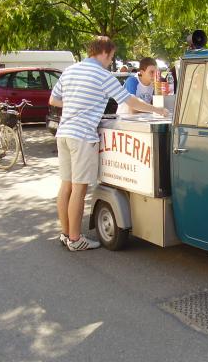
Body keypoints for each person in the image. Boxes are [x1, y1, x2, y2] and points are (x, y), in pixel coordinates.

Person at [49, 36, 169, 251]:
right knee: (79, 188)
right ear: (104, 52)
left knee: (65, 185)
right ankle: (76, 240)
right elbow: (129, 100)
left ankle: (66, 233)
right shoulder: (102, 75)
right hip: (83, 135)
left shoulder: (70, 71)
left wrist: (74, 104)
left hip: (64, 133)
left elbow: (53, 100)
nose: (110, 61)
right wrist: (157, 110)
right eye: (111, 56)